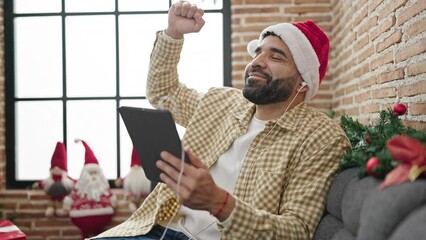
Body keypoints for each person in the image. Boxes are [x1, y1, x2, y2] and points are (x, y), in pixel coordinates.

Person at [92, 1, 350, 239]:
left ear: (303, 83)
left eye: (275, 56)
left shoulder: (321, 137)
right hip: (153, 227)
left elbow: (296, 231)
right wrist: (173, 34)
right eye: (257, 53)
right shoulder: (221, 102)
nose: (256, 63)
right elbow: (163, 93)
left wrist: (218, 202)